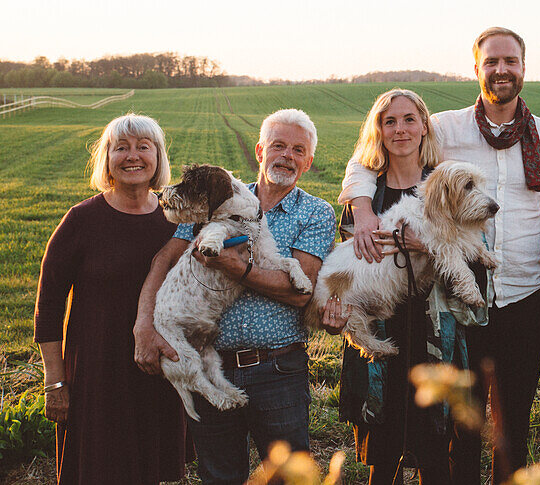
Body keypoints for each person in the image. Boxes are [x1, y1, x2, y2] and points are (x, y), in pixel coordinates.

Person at [339, 27, 540, 484]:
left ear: (524, 66)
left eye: (510, 61)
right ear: (477, 68)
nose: (501, 70)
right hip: (461, 300)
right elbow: (367, 158)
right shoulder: (446, 127)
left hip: (524, 295)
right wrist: (362, 210)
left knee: (514, 420)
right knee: (458, 420)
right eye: (491, 62)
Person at [133, 108, 336, 485]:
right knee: (219, 476)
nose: (286, 156)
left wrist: (237, 269)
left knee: (289, 477)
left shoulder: (316, 212)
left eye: (297, 150)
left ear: (308, 161)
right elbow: (164, 260)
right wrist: (143, 325)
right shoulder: (216, 198)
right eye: (278, 145)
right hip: (214, 362)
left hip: (278, 369)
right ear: (259, 151)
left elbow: (300, 292)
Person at [321, 88, 468, 485]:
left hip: (435, 337)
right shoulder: (365, 198)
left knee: (436, 460)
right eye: (390, 121)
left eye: (408, 119)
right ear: (379, 131)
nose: (400, 129)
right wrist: (337, 315)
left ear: (424, 126)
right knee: (382, 462)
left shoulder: (446, 189)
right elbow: (345, 274)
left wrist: (427, 246)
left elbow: (473, 262)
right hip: (382, 337)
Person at [34, 113, 188, 485]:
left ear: (157, 158)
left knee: (151, 470)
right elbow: (49, 306)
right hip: (97, 375)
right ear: (107, 160)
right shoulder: (81, 220)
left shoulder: (177, 220)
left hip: (158, 372)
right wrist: (55, 383)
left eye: (143, 147)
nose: (132, 156)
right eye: (121, 148)